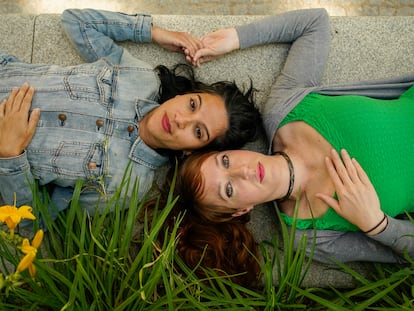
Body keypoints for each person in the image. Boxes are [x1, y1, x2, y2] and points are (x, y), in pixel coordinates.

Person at [166, 8, 414, 285]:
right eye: (229, 189)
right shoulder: (308, 236)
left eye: (225, 162)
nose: (243, 171)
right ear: (240, 210)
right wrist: (378, 225)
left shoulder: (284, 110)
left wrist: (235, 38)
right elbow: (406, 255)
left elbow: (314, 22)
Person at [0, 9, 261, 215]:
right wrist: (153, 32)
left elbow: (37, 220)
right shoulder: (139, 78)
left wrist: (10, 155)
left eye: (198, 131)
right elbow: (77, 21)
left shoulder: (127, 187)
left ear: (191, 151)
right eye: (193, 104)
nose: (181, 119)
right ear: (185, 94)